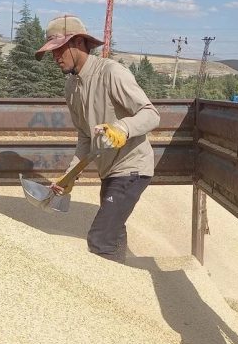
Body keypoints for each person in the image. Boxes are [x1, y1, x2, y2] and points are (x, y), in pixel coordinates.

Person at [35, 15, 160, 263]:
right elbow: (85, 136)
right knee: (113, 233)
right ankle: (124, 284)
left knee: (100, 238)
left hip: (132, 168)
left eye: (59, 49)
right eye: (52, 52)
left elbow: (151, 114)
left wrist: (122, 128)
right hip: (110, 172)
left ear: (80, 43)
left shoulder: (111, 73)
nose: (56, 57)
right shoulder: (71, 87)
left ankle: (106, 296)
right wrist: (68, 177)